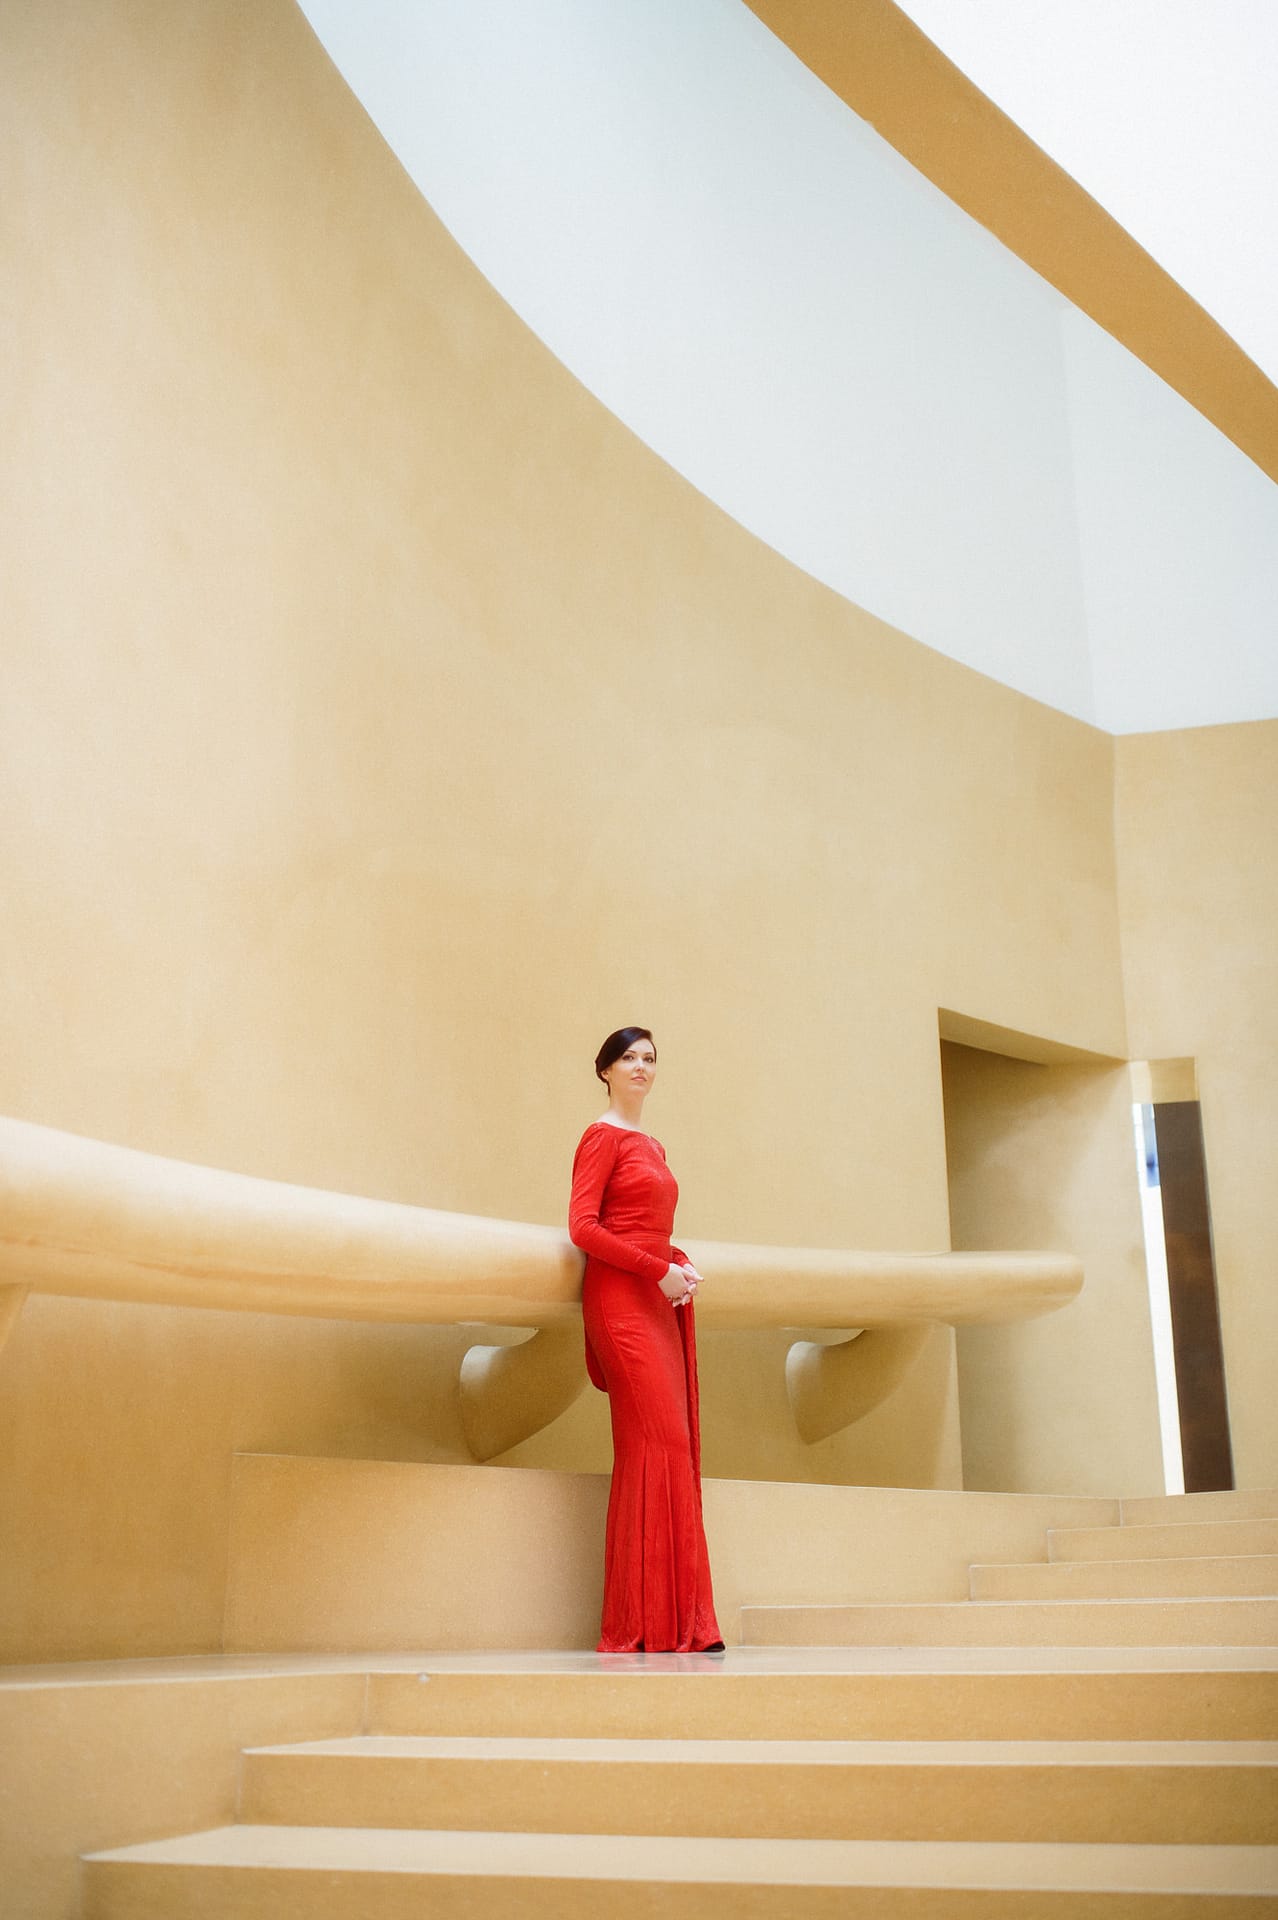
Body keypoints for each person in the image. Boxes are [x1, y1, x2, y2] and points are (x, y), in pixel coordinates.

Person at [568, 1026, 723, 1653]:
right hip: (621, 1303)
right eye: (628, 1057)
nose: (640, 1066)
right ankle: (639, 1623)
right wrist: (656, 1269)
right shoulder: (601, 1137)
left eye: (649, 1058)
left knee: (674, 1443)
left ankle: (680, 1621)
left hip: (656, 1300)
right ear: (605, 1070)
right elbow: (582, 1227)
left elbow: (652, 1228)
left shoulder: (653, 1145)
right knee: (653, 1442)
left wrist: (674, 1263)